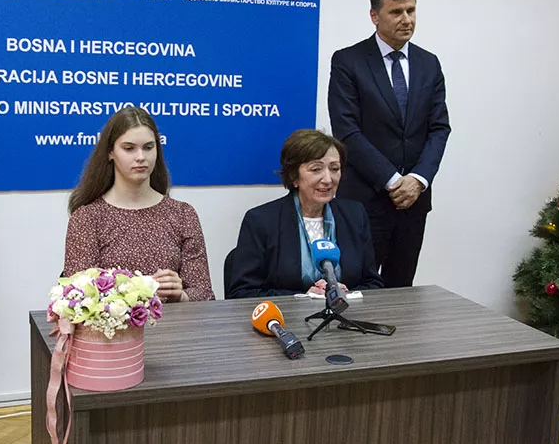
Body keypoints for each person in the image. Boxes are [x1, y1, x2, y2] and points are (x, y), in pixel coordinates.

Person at [328, 0, 451, 288]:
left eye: (411, 10)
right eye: (396, 12)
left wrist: (418, 180)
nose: (406, 19)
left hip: (414, 201)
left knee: (401, 290)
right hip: (366, 200)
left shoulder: (429, 63)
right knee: (358, 288)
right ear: (374, 15)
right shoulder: (348, 61)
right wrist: (394, 181)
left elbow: (439, 128)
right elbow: (347, 131)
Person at [64, 107, 215, 303]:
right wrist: (143, 290)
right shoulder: (87, 218)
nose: (141, 157)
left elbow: (204, 294)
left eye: (148, 147)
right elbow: (78, 297)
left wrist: (181, 295)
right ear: (110, 152)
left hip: (173, 322)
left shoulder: (182, 214)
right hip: (114, 323)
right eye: (129, 148)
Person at [227, 129, 383, 298]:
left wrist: (348, 293)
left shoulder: (355, 215)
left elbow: (373, 283)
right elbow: (242, 293)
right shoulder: (261, 221)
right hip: (287, 314)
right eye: (316, 169)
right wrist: (302, 298)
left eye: (334, 168)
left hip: (346, 313)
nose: (328, 179)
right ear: (294, 176)